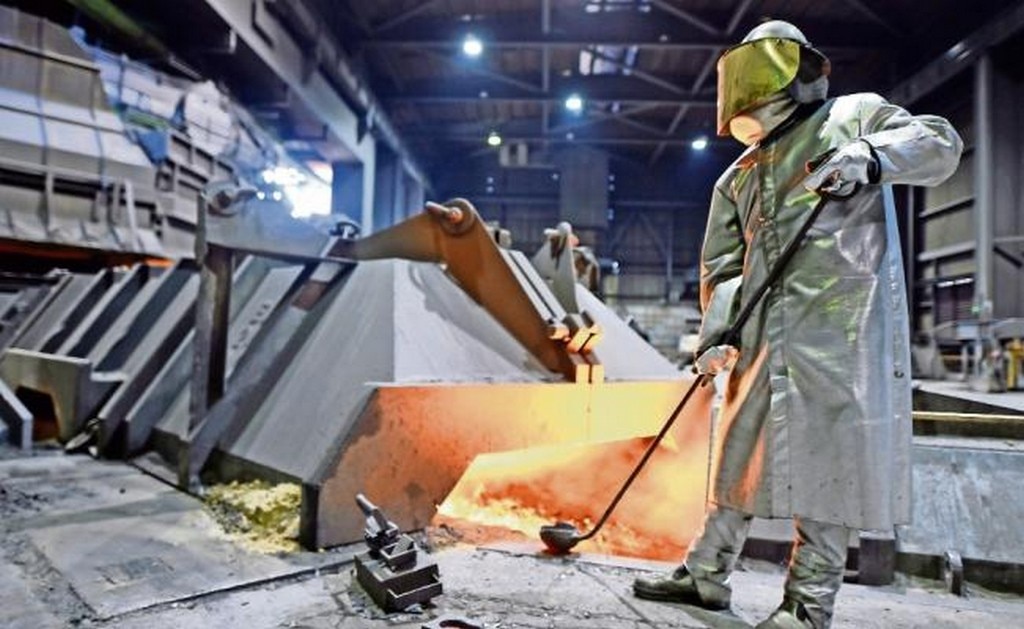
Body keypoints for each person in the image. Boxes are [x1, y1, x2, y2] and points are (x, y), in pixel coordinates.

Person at [632, 20, 962, 629]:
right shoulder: (736, 176)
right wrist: (717, 336)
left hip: (840, 333)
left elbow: (940, 145)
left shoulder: (855, 117)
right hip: (761, 338)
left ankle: (808, 604)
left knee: (827, 469)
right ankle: (704, 576)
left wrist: (872, 155)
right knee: (736, 458)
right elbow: (724, 267)